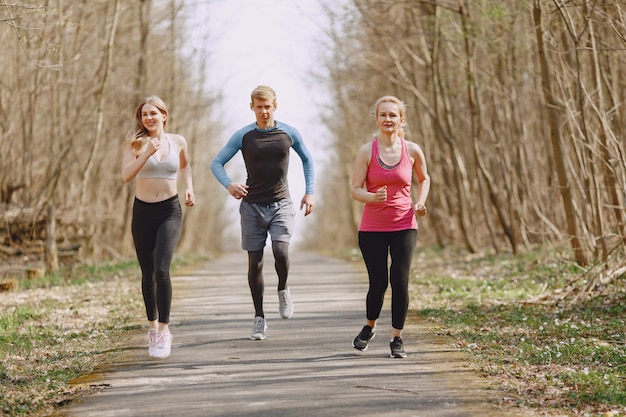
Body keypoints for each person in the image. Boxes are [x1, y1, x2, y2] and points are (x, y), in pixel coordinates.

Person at [211, 85, 314, 341]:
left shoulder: (289, 132)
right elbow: (216, 163)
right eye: (259, 107)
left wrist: (309, 191)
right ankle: (259, 318)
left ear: (275, 106)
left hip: (281, 204)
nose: (264, 111)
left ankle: (283, 288)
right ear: (252, 107)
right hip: (252, 206)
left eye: (268, 106)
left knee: (280, 251)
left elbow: (308, 159)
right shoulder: (243, 135)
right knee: (254, 262)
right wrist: (229, 184)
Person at [350, 95, 430, 358]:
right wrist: (372, 198)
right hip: (372, 227)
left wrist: (420, 202)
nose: (388, 119)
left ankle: (397, 338)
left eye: (392, 115)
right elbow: (355, 189)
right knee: (378, 282)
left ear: (401, 119)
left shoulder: (412, 150)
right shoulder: (366, 151)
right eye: (383, 115)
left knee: (400, 280)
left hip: (405, 224)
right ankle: (369, 326)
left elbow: (424, 178)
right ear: (376, 119)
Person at [121, 96, 195, 359]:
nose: (149, 118)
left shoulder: (178, 141)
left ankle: (164, 330)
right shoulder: (135, 142)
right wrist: (147, 154)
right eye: (144, 115)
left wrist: (189, 188)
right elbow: (126, 175)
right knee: (147, 272)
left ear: (164, 115)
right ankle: (152, 328)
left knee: (162, 269)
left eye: (154, 113)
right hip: (142, 212)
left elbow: (185, 165)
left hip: (169, 211)